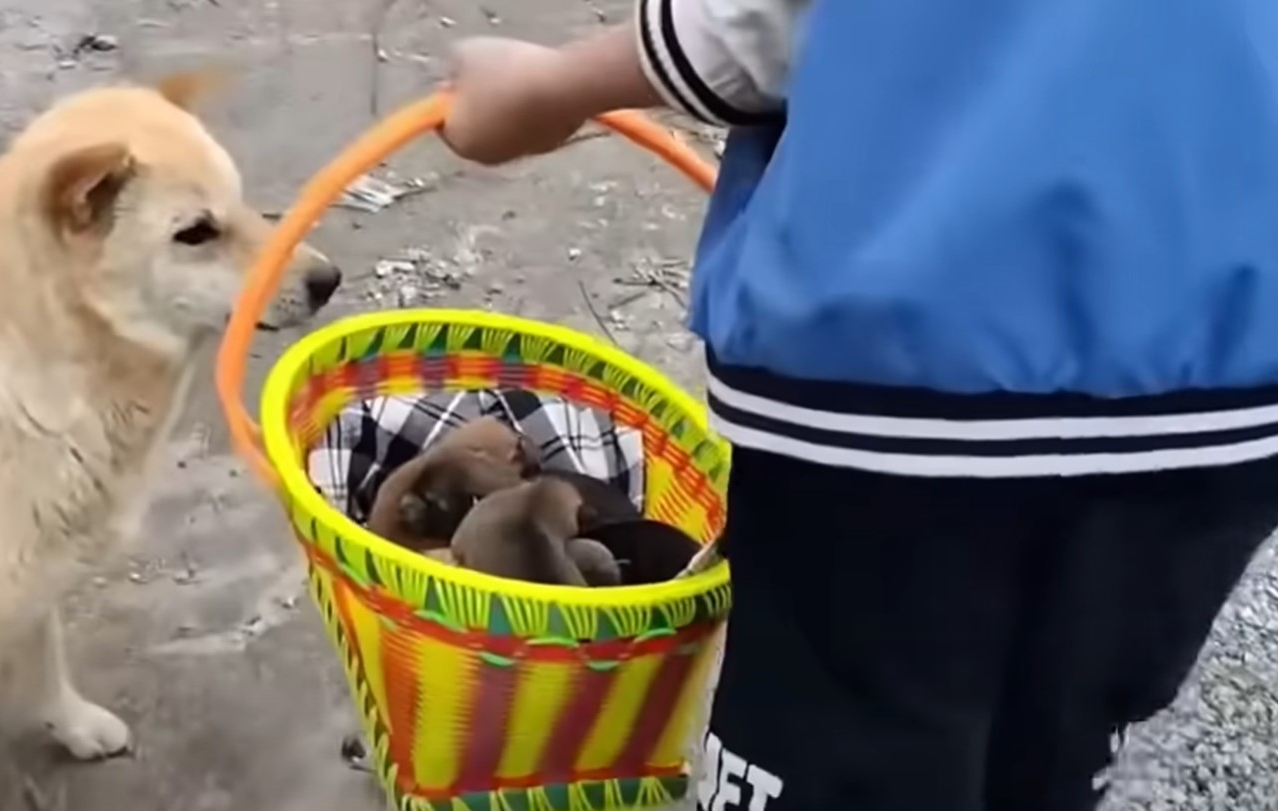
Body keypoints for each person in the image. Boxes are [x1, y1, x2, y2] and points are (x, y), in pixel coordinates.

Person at [438, 2, 1278, 810]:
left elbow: (755, 29)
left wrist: (551, 86)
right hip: (1227, 378)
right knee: (1056, 729)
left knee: (839, 745)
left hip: (902, 374)